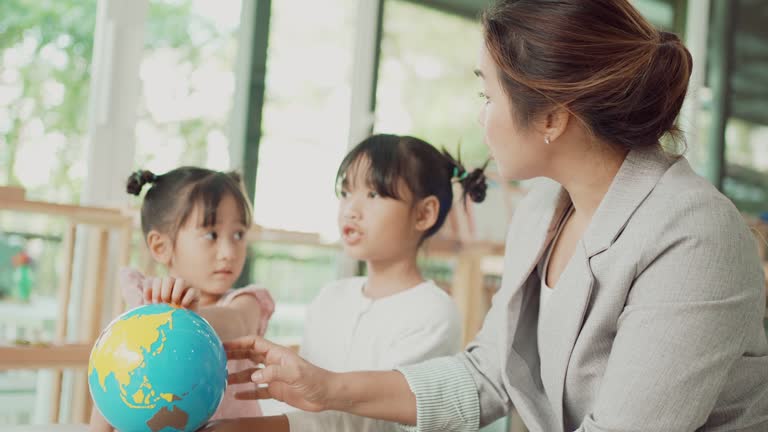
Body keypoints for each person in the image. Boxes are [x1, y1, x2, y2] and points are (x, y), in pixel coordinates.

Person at [214, 0, 768, 431]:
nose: (480, 119)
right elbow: (487, 375)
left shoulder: (694, 234)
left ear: (552, 116)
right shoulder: (541, 214)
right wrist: (327, 386)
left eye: (487, 94)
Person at [265, 134, 487, 431]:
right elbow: (303, 402)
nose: (351, 209)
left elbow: (372, 423)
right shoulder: (330, 297)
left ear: (424, 214)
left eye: (373, 194)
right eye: (345, 192)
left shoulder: (433, 313)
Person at [89, 167, 275, 431]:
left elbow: (237, 322)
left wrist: (190, 318)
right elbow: (111, 383)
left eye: (238, 235)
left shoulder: (248, 302)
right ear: (160, 247)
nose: (229, 252)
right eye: (211, 235)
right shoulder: (146, 310)